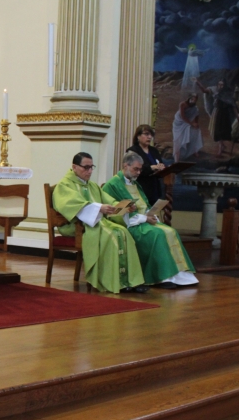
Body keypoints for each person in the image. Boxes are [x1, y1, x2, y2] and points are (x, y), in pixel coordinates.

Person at [52, 152, 148, 294]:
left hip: (97, 223)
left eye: (92, 167)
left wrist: (124, 208)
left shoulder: (92, 186)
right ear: (74, 167)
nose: (90, 171)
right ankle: (115, 282)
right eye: (86, 167)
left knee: (124, 233)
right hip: (76, 226)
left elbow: (110, 201)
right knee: (113, 236)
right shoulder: (64, 185)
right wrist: (99, 208)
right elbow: (70, 205)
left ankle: (131, 281)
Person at [103, 152, 199, 289]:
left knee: (171, 231)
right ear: (125, 165)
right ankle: (162, 277)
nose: (138, 172)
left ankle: (179, 275)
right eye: (136, 169)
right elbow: (115, 212)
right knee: (157, 234)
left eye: (140, 169)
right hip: (131, 225)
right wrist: (144, 218)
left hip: (144, 221)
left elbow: (144, 204)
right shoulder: (112, 185)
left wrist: (151, 214)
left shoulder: (135, 184)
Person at [125, 124, 166, 205]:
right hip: (140, 188)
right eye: (146, 134)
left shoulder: (154, 150)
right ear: (138, 136)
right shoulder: (133, 151)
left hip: (155, 189)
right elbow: (132, 169)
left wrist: (161, 166)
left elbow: (160, 163)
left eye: (151, 135)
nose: (149, 137)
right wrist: (152, 167)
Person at [196, 79, 237, 156]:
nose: (220, 86)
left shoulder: (227, 94)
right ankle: (221, 146)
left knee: (222, 131)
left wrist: (237, 116)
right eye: (219, 84)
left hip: (225, 115)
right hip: (217, 113)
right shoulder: (214, 90)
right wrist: (198, 83)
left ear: (224, 85)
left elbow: (233, 105)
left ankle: (221, 146)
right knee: (216, 131)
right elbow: (204, 90)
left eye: (222, 85)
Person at [172, 94, 203, 162]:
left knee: (195, 131)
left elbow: (196, 117)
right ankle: (176, 159)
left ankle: (194, 150)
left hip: (187, 123)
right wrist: (192, 124)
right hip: (179, 123)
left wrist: (196, 124)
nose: (193, 101)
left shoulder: (195, 108)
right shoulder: (183, 104)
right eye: (192, 99)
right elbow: (183, 116)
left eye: (195, 100)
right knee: (178, 139)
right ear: (189, 98)